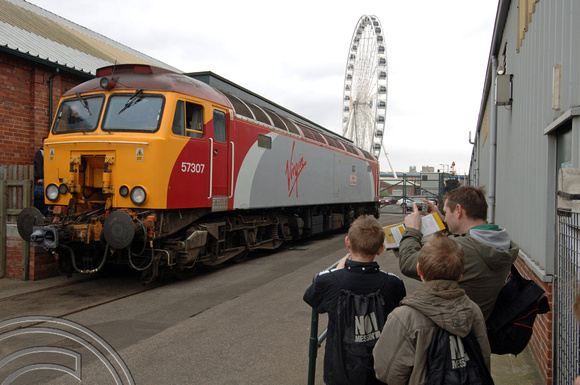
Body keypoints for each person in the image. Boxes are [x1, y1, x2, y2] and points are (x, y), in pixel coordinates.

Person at [374, 235, 492, 385]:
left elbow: (386, 371)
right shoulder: (473, 309)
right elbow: (484, 359)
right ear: (460, 276)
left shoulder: (404, 317)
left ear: (419, 270)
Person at [303, 215, 406, 385]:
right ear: (380, 249)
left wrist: (337, 272)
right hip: (379, 371)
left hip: (339, 371)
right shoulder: (393, 282)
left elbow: (312, 299)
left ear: (347, 243)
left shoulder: (327, 281)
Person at [399, 186, 518, 320]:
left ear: (458, 210)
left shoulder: (464, 249)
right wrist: (442, 223)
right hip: (478, 326)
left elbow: (408, 262)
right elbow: (468, 244)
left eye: (446, 213)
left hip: (452, 328)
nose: (445, 219)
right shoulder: (497, 241)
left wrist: (412, 230)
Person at [33, 144, 47, 216]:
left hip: (47, 178)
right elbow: (38, 165)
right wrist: (39, 177)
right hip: (42, 179)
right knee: (40, 198)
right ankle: (41, 214)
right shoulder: (40, 153)